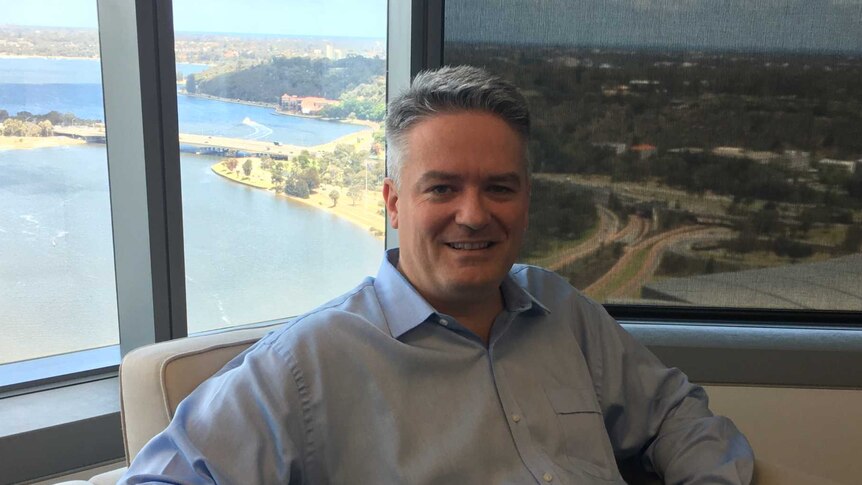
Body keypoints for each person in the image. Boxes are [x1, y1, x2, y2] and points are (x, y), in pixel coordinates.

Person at [120, 65, 754, 484]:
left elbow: (676, 413)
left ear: (526, 197)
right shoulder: (310, 362)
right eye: (442, 188)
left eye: (499, 188)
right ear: (395, 204)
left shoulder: (562, 310)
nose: (473, 215)